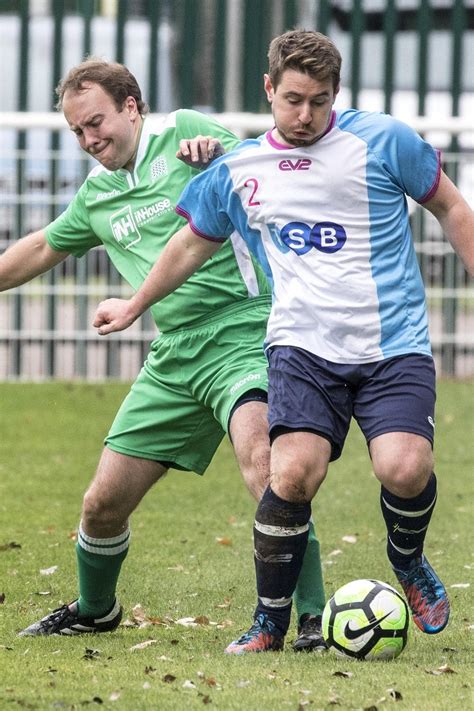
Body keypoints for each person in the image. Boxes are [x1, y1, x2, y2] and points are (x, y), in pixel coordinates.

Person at [92, 30, 474, 655]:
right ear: (267, 89)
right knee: (291, 474)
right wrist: (136, 304)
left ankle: (407, 560)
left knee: (404, 469)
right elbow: (191, 242)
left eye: (319, 102)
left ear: (337, 94)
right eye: (293, 99)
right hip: (301, 346)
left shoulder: (382, 141)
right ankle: (270, 623)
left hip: (392, 344)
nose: (304, 116)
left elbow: (452, 207)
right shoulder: (240, 168)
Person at [1, 58, 327, 650]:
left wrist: (221, 152)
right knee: (102, 505)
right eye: (77, 131)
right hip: (174, 356)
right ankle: (96, 610)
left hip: (244, 331)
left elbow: (270, 162)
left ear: (132, 106)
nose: (89, 139)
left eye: (96, 122)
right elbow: (41, 247)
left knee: (268, 468)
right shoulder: (98, 194)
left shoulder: (187, 133)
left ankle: (311, 619)